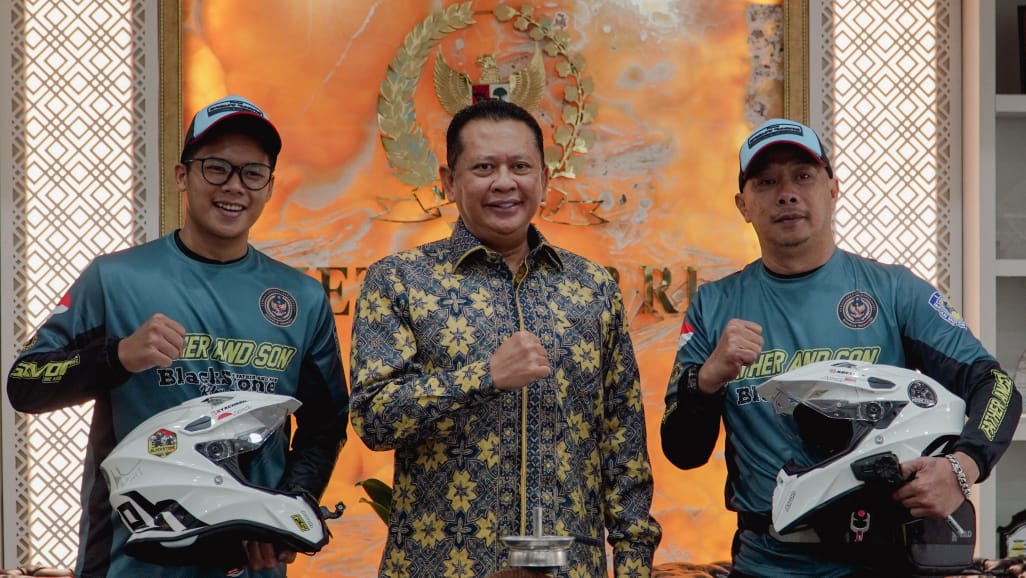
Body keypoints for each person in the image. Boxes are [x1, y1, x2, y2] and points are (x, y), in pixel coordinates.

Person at [660, 117, 1023, 577]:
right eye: (766, 181)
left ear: (833, 190)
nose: (787, 194)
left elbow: (996, 387)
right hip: (764, 565)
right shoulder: (714, 306)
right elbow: (683, 452)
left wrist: (961, 468)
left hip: (881, 562)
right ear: (743, 205)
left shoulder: (894, 290)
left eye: (803, 176)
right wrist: (707, 379)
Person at [6, 95, 350, 578]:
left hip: (250, 568)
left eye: (253, 173)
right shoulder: (115, 279)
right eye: (217, 168)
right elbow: (25, 383)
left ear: (270, 186)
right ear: (182, 175)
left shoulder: (302, 298)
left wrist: (287, 510)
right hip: (127, 563)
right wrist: (117, 356)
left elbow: (324, 425)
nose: (234, 186)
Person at [349, 98, 662, 578]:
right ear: (449, 181)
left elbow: (623, 445)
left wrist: (634, 567)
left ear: (544, 180)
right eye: (483, 168)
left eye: (520, 167)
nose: (504, 182)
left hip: (571, 568)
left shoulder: (593, 288)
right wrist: (485, 377)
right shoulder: (399, 280)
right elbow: (373, 419)